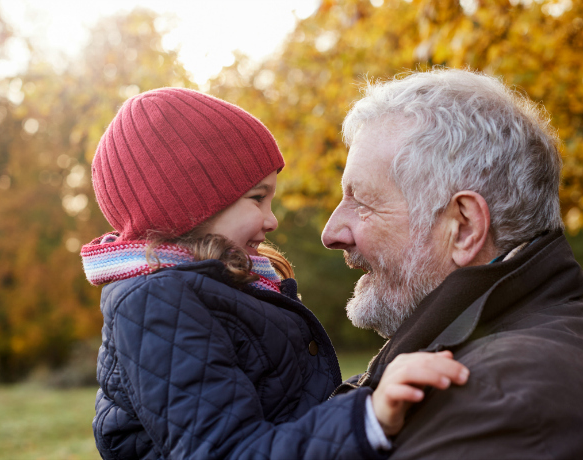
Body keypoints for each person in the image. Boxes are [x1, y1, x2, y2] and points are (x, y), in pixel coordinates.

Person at [81, 87, 469, 459]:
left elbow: (286, 409)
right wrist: (367, 417)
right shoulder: (157, 303)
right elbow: (225, 450)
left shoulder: (214, 286)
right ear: (190, 207)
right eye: (257, 198)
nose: (272, 220)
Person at [321, 69, 583, 459]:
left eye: (363, 203)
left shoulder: (499, 399)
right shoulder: (481, 356)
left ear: (465, 227)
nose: (332, 231)